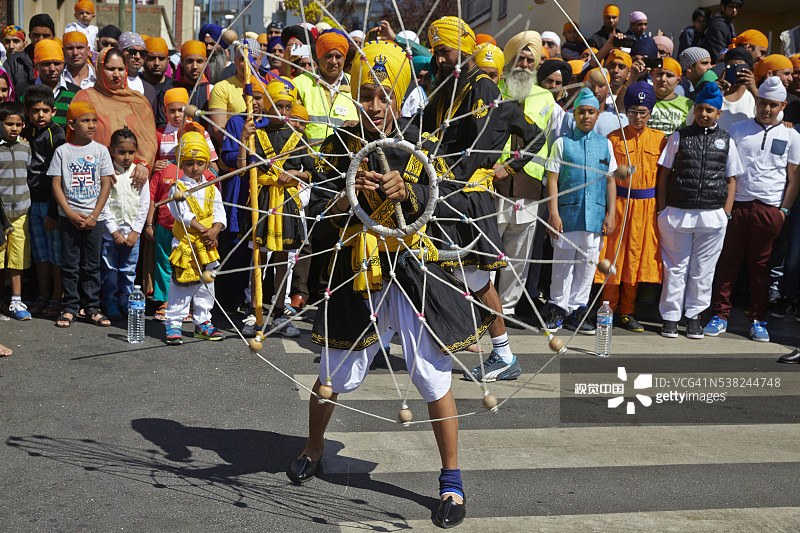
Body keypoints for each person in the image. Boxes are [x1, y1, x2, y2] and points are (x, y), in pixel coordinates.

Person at [289, 40, 489, 529]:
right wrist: (347, 195)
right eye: (367, 96)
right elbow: (318, 218)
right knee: (333, 374)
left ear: (400, 98)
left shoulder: (421, 147)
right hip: (360, 275)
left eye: (384, 96)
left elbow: (447, 207)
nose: (376, 106)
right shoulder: (339, 147)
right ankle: (313, 449)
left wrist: (413, 191)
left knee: (432, 378)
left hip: (414, 275)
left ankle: (452, 482)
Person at [423, 19, 543, 382]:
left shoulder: (482, 87)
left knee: (475, 276)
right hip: (444, 192)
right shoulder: (449, 86)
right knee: (447, 271)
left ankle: (504, 354)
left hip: (467, 197)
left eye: (446, 51)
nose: (441, 59)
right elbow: (426, 128)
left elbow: (527, 140)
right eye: (438, 52)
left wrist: (509, 165)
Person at [704, 78, 800, 341]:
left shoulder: (792, 136)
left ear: (782, 105)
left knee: (761, 269)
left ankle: (758, 320)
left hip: (769, 210)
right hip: (738, 206)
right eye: (762, 103)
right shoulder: (738, 130)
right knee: (728, 262)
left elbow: (794, 178)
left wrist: (783, 212)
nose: (766, 109)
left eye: (772, 105)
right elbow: (727, 172)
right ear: (756, 102)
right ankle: (719, 315)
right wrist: (727, 207)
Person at [655, 82, 741, 339]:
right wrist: (662, 210)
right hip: (677, 213)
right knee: (675, 268)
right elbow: (664, 175)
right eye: (700, 109)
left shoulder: (726, 141)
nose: (704, 114)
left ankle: (694, 317)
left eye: (710, 110)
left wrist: (726, 213)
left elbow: (731, 179)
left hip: (712, 216)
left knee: (703, 270)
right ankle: (670, 318)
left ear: (719, 114)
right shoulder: (678, 137)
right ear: (694, 110)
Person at [236, 77, 314, 337]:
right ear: (267, 105)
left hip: (288, 202)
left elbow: (312, 173)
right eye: (278, 105)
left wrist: (294, 175)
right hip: (263, 199)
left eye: (287, 106)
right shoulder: (256, 134)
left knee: (283, 259)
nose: (283, 111)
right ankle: (255, 311)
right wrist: (243, 140)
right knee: (258, 257)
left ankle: (279, 314)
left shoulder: (299, 137)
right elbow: (241, 170)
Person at [543, 88, 617, 333]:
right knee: (562, 262)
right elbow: (552, 179)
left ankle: (578, 307)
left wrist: (611, 213)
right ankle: (557, 306)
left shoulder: (605, 145)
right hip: (567, 215)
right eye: (581, 112)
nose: (586, 116)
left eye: (591, 112)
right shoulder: (562, 143)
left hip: (594, 216)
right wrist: (553, 213)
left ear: (598, 114)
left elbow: (610, 180)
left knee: (587, 263)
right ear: (574, 114)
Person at [596, 83, 666, 332]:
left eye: (643, 112)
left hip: (646, 208)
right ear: (626, 111)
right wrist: (608, 210)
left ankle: (627, 311)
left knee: (636, 261)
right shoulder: (614, 138)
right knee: (613, 258)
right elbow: (607, 177)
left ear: (650, 113)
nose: (638, 117)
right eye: (633, 111)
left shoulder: (660, 140)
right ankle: (608, 308)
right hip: (619, 204)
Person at [494, 31, 551, 328]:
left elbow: (550, 144)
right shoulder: (494, 91)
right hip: (493, 182)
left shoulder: (547, 99)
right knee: (488, 250)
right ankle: (482, 309)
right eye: (520, 58)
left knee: (518, 254)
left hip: (529, 185)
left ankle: (507, 310)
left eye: (531, 60)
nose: (525, 64)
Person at [49, 101, 115, 328]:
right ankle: (70, 307)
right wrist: (68, 213)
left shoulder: (101, 150)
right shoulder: (62, 151)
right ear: (71, 124)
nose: (91, 125)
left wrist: (94, 216)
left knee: (92, 265)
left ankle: (92, 307)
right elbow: (56, 185)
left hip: (94, 219)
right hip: (69, 219)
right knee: (70, 264)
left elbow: (106, 184)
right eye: (85, 121)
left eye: (94, 120)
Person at [164, 132, 226, 345]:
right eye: (189, 163)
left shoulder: (211, 187)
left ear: (207, 163)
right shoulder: (177, 188)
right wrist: (204, 230)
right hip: (186, 245)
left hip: (207, 244)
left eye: (200, 163)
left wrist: (215, 230)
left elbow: (220, 214)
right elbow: (183, 215)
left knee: (206, 286)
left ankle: (203, 323)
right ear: (181, 163)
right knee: (182, 286)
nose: (195, 168)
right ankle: (173, 323)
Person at [22, 85, 66, 318]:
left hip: (51, 204)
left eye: (45, 110)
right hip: (31, 202)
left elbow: (58, 175)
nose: (41, 115)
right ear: (27, 112)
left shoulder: (57, 134)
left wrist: (53, 211)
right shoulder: (25, 133)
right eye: (35, 110)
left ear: (53, 111)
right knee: (40, 254)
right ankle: (43, 294)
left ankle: (58, 295)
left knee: (56, 253)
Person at [100, 128, 149, 321]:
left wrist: (136, 231)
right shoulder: (107, 174)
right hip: (110, 235)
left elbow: (144, 204)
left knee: (129, 270)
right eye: (121, 152)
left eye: (131, 152)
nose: (127, 157)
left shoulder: (140, 175)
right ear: (111, 150)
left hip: (132, 235)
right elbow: (103, 204)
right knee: (109, 269)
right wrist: (113, 232)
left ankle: (125, 300)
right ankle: (109, 301)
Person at [292, 29, 358, 148]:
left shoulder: (355, 85)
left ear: (344, 58)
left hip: (346, 160)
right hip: (309, 160)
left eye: (338, 56)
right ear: (319, 57)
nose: (333, 61)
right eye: (328, 56)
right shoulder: (299, 84)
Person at [0, 101, 33, 320]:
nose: (14, 128)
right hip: (0, 215)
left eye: (18, 124)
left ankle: (15, 300)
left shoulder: (25, 147)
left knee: (18, 257)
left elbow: (28, 169)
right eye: (9, 124)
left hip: (21, 212)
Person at [207, 38, 269, 145]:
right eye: (242, 59)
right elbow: (218, 131)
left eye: (253, 59)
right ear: (234, 61)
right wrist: (242, 151)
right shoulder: (221, 88)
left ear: (260, 60)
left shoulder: (268, 87)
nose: (248, 64)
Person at [155, 87, 217, 174]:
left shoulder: (199, 132)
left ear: (188, 109)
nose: (177, 115)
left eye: (181, 110)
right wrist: (155, 166)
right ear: (164, 111)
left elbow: (214, 168)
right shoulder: (158, 135)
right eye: (172, 111)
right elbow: (150, 164)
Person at [154, 41, 213, 129]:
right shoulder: (168, 90)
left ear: (205, 62)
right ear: (181, 61)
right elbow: (162, 124)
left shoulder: (212, 90)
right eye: (190, 61)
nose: (195, 66)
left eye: (199, 61)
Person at [28, 39, 81, 130]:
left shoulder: (76, 94)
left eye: (57, 63)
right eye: (46, 64)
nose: (52, 68)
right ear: (36, 66)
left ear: (63, 64)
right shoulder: (23, 92)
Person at [6, 14, 55, 96]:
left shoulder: (63, 60)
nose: (40, 40)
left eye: (45, 36)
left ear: (53, 37)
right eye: (36, 35)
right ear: (29, 36)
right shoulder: (15, 61)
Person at [650, 58, 694, 136]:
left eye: (669, 75)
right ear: (652, 75)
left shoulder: (688, 105)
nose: (663, 79)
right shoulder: (641, 99)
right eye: (659, 74)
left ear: (678, 81)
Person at [716, 47, 756, 131]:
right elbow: (691, 119)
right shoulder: (718, 93)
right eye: (731, 67)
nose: (737, 71)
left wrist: (753, 89)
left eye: (741, 67)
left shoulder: (754, 96)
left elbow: (772, 116)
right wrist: (711, 92)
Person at [117, 32, 156, 110]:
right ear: (120, 53)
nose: (138, 57)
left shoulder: (149, 90)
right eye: (132, 52)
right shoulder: (113, 83)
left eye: (142, 53)